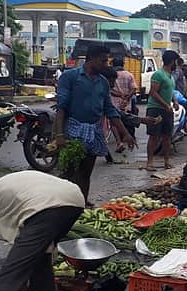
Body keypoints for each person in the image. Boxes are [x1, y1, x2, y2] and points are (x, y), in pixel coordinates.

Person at [55, 45, 136, 202]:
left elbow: (110, 110)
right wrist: (59, 135)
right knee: (69, 173)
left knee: (85, 172)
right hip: (72, 131)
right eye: (103, 61)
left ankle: (82, 203)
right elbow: (61, 107)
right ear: (91, 59)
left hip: (93, 131)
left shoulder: (103, 82)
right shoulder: (70, 77)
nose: (106, 65)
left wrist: (125, 133)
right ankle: (64, 204)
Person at [146, 50, 179, 171]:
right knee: (154, 136)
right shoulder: (158, 75)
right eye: (176, 61)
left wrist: (174, 101)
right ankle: (149, 162)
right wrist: (166, 105)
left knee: (167, 136)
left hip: (167, 109)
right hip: (156, 109)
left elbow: (171, 92)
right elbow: (153, 93)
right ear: (171, 61)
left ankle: (167, 160)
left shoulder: (170, 76)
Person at [111, 58, 138, 150]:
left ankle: (119, 142)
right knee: (127, 120)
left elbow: (109, 90)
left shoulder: (112, 75)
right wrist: (127, 99)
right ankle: (129, 136)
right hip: (126, 104)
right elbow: (134, 89)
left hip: (113, 103)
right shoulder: (129, 75)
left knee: (114, 122)